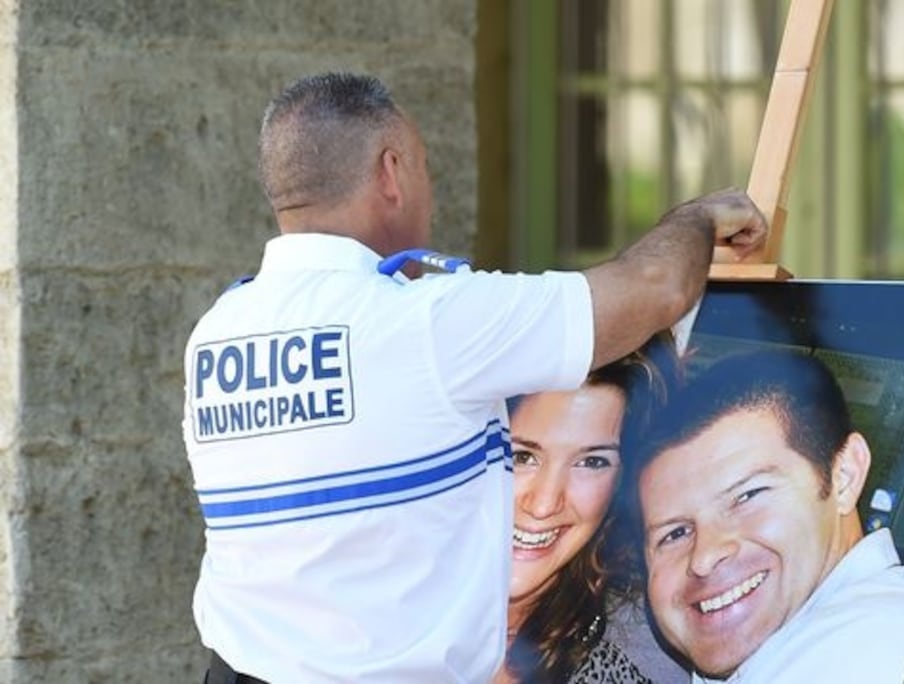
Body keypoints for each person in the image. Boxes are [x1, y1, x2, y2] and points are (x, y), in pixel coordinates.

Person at [181, 72, 766, 683]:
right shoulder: (421, 321)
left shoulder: (218, 331)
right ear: (391, 171)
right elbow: (656, 288)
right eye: (425, 167)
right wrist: (698, 216)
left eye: (593, 460)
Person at [634, 349, 904, 683]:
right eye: (674, 534)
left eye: (747, 496)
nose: (704, 557)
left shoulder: (874, 651)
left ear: (844, 475)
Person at [498, 336, 687, 684]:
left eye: (592, 462)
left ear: (623, 483)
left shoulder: (640, 655)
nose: (543, 504)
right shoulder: (387, 586)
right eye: (523, 456)